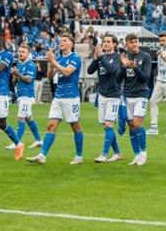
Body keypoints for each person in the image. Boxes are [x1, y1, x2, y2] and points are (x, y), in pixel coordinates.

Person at [27, 33, 84, 165]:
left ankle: (79, 156)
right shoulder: (59, 58)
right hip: (58, 96)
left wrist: (53, 61)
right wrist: (51, 65)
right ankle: (42, 155)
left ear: (71, 44)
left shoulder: (75, 57)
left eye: (65, 40)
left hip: (71, 97)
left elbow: (67, 72)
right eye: (60, 40)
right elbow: (50, 76)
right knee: (51, 125)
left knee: (75, 126)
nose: (61, 42)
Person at [88, 34, 123, 163]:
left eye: (108, 41)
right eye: (104, 41)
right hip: (102, 94)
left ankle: (104, 154)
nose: (106, 43)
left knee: (109, 124)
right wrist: (96, 58)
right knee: (106, 126)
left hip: (113, 95)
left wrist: (101, 57)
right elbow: (90, 70)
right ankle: (118, 153)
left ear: (114, 44)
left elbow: (112, 70)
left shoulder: (117, 57)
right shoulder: (101, 57)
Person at [119, 33, 153, 166]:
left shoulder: (145, 57)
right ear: (127, 44)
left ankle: (143, 153)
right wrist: (124, 66)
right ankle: (137, 154)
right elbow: (118, 78)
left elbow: (145, 78)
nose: (134, 44)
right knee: (131, 126)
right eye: (131, 42)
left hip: (141, 95)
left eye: (136, 41)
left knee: (137, 123)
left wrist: (135, 67)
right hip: (127, 95)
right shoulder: (123, 58)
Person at [11, 43, 42, 148]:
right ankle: (38, 140)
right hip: (20, 94)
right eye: (19, 52)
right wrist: (14, 76)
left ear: (28, 53)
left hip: (27, 96)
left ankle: (17, 142)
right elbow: (15, 80)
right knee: (29, 118)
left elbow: (29, 79)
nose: (20, 54)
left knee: (21, 117)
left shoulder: (31, 65)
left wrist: (17, 74)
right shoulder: (19, 64)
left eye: (23, 52)